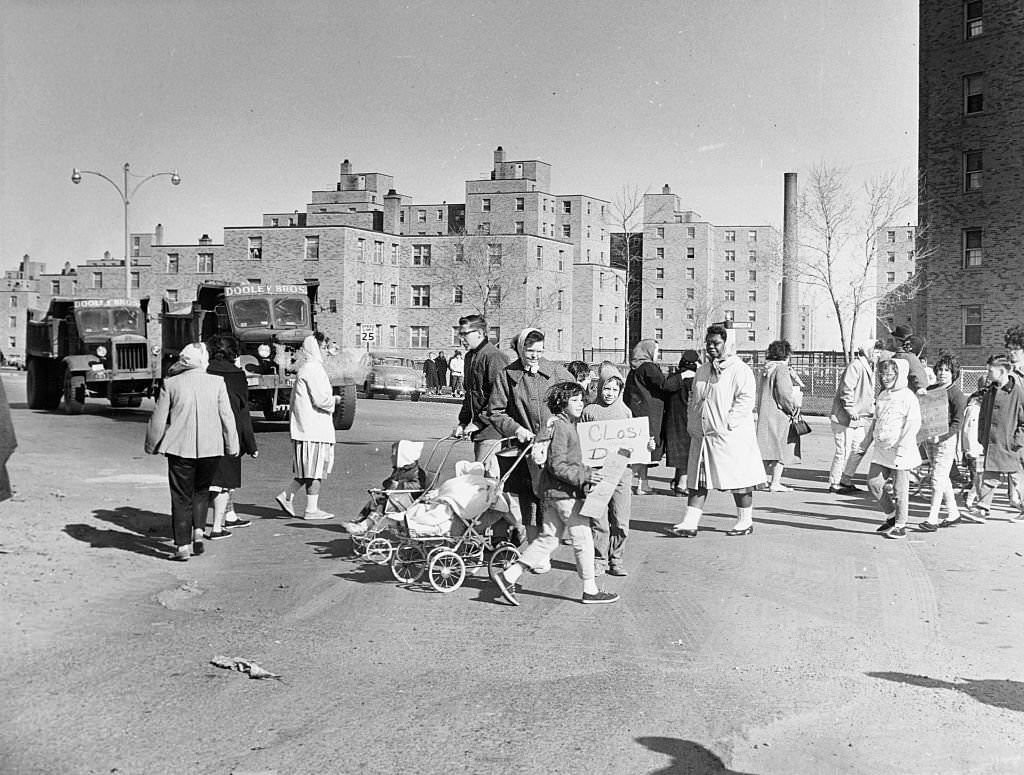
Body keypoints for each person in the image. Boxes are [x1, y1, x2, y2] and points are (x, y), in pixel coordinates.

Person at [491, 382, 619, 606]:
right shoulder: (562, 427)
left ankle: (508, 575)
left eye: (582, 399)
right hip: (565, 494)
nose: (581, 404)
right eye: (575, 400)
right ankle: (590, 589)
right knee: (583, 539)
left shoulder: (560, 424)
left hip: (553, 494)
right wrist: (585, 476)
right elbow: (557, 464)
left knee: (548, 539)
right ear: (562, 403)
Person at [145, 343, 239, 561]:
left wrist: (151, 445)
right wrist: (231, 445)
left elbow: (158, 419)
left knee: (181, 497)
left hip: (180, 448)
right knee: (202, 491)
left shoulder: (171, 383)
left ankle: (182, 547)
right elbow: (227, 416)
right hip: (211, 448)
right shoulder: (217, 382)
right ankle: (198, 531)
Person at [670, 325, 765, 537]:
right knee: (697, 480)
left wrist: (728, 424)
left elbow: (745, 400)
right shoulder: (702, 370)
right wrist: (691, 422)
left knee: (739, 481)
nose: (711, 347)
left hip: (731, 437)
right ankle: (689, 523)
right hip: (702, 435)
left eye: (716, 343)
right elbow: (694, 397)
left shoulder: (740, 370)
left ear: (727, 344)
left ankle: (745, 521)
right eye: (709, 343)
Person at [487, 328, 574, 548]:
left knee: (550, 495)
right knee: (523, 497)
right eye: (530, 350)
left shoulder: (556, 371)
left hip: (553, 446)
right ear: (520, 348)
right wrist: (516, 429)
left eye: (540, 351)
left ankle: (547, 541)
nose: (535, 355)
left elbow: (577, 397)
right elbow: (496, 412)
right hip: (521, 448)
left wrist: (561, 421)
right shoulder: (507, 375)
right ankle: (523, 543)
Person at [274, 333, 343, 520]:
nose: (327, 351)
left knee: (309, 468)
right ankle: (311, 509)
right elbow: (321, 400)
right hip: (314, 429)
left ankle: (287, 495)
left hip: (309, 428)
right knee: (315, 469)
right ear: (315, 348)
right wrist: (335, 400)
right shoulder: (313, 370)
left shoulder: (309, 368)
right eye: (324, 347)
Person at [858, 359, 921, 539]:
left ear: (899, 375)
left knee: (900, 490)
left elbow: (912, 425)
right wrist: (865, 442)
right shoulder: (883, 395)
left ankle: (901, 525)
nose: (885, 378)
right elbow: (876, 421)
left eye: (889, 374)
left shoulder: (908, 397)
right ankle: (891, 516)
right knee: (874, 483)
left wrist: (902, 448)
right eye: (883, 374)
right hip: (882, 449)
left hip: (901, 450)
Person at [205, 335, 259, 540]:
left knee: (209, 479)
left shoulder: (205, 370)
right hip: (230, 432)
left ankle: (226, 515)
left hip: (205, 430)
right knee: (225, 480)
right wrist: (251, 444)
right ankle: (220, 523)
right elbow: (242, 411)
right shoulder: (237, 375)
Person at [581, 368, 633, 576]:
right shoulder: (590, 411)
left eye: (615, 389)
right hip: (597, 471)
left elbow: (633, 440)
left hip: (621, 470)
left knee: (620, 518)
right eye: (606, 388)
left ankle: (616, 558)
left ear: (620, 390)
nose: (610, 393)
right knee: (598, 518)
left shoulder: (625, 412)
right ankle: (599, 559)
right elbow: (581, 440)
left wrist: (646, 444)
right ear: (600, 387)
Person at [970, 353, 1024, 523]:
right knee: (990, 475)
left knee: (1017, 478)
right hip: (992, 443)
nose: (988, 374)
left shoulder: (1017, 392)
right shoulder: (990, 391)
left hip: (1010, 445)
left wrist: (1018, 441)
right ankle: (982, 509)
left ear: (1001, 371)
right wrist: (981, 436)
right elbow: (983, 416)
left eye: (990, 371)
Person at [453, 315, 509, 476]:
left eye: (464, 334)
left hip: (494, 430)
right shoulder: (470, 356)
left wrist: (479, 422)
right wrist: (463, 422)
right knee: (480, 476)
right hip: (480, 430)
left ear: (479, 332)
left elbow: (499, 396)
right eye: (460, 333)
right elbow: (470, 393)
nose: (461, 338)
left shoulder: (494, 356)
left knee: (487, 480)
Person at [917, 354, 967, 531]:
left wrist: (942, 437)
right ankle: (953, 513)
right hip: (930, 439)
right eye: (939, 370)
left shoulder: (957, 395)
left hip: (945, 441)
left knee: (937, 478)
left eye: (947, 370)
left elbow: (957, 424)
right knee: (942, 476)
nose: (942, 373)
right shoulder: (932, 389)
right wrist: (921, 395)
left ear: (954, 373)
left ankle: (933, 518)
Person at [827, 340, 877, 494]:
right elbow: (846, 389)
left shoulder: (869, 367)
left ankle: (846, 479)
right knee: (843, 451)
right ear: (866, 351)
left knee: (858, 449)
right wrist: (850, 408)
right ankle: (835, 483)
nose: (877, 354)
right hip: (845, 419)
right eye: (875, 351)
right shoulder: (856, 366)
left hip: (858, 419)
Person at [755, 339, 802, 492]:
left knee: (766, 448)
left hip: (765, 413)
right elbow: (784, 393)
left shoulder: (766, 369)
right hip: (779, 414)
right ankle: (775, 482)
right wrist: (792, 409)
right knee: (782, 449)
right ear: (786, 354)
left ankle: (759, 480)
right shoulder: (781, 369)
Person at [624, 339, 666, 495]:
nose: (658, 354)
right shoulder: (649, 367)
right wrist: (680, 378)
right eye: (656, 350)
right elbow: (663, 384)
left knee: (641, 451)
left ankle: (643, 484)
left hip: (637, 411)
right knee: (645, 450)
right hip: (650, 414)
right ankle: (624, 482)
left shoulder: (634, 369)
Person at [662, 350, 700, 496]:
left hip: (673, 419)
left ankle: (677, 480)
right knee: (688, 453)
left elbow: (667, 388)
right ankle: (682, 485)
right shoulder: (696, 380)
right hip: (690, 419)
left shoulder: (675, 378)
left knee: (680, 452)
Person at [959, 376, 988, 518]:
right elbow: (968, 431)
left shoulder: (976, 407)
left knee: (980, 477)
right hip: (975, 449)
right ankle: (970, 499)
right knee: (979, 477)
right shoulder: (974, 409)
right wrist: (969, 449)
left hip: (978, 448)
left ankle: (971, 497)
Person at [890, 326, 928, 394]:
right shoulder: (909, 357)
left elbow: (921, 384)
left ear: (897, 340)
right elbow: (922, 383)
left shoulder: (905, 357)